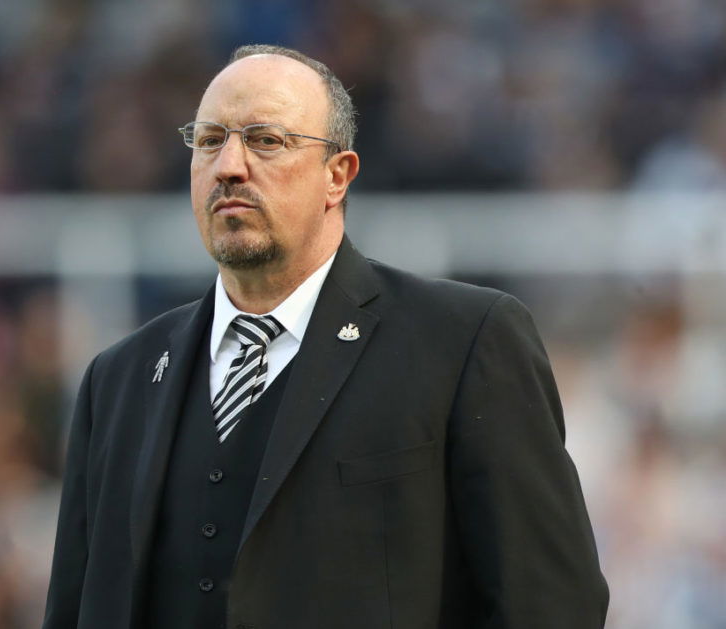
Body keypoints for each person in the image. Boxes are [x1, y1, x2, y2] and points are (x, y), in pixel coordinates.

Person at [42, 44, 609, 629]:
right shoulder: (118, 378)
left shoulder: (465, 342)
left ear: (337, 176)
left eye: (265, 140)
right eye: (210, 141)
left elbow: (551, 603)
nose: (229, 165)